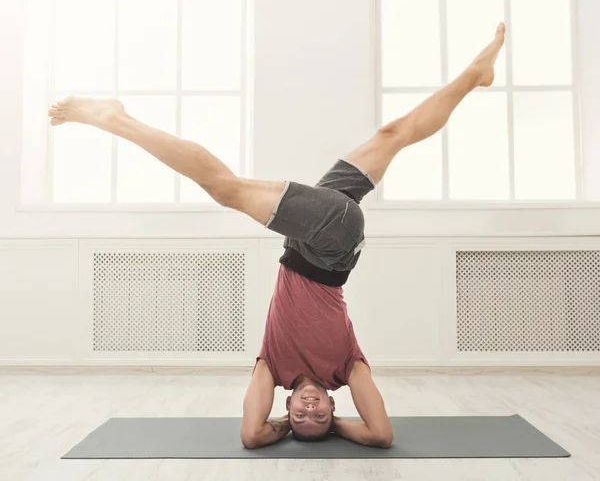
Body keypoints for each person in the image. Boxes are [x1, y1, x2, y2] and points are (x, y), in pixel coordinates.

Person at [48, 23, 505, 449]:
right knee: (227, 189)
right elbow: (381, 434)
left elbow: (251, 434)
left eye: (301, 418)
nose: (310, 411)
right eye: (321, 416)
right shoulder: (348, 370)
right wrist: (337, 431)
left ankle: (474, 74)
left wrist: (280, 430)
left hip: (312, 239)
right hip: (331, 244)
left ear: (285, 405)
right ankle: (116, 118)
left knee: (393, 134)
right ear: (332, 404)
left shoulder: (273, 367)